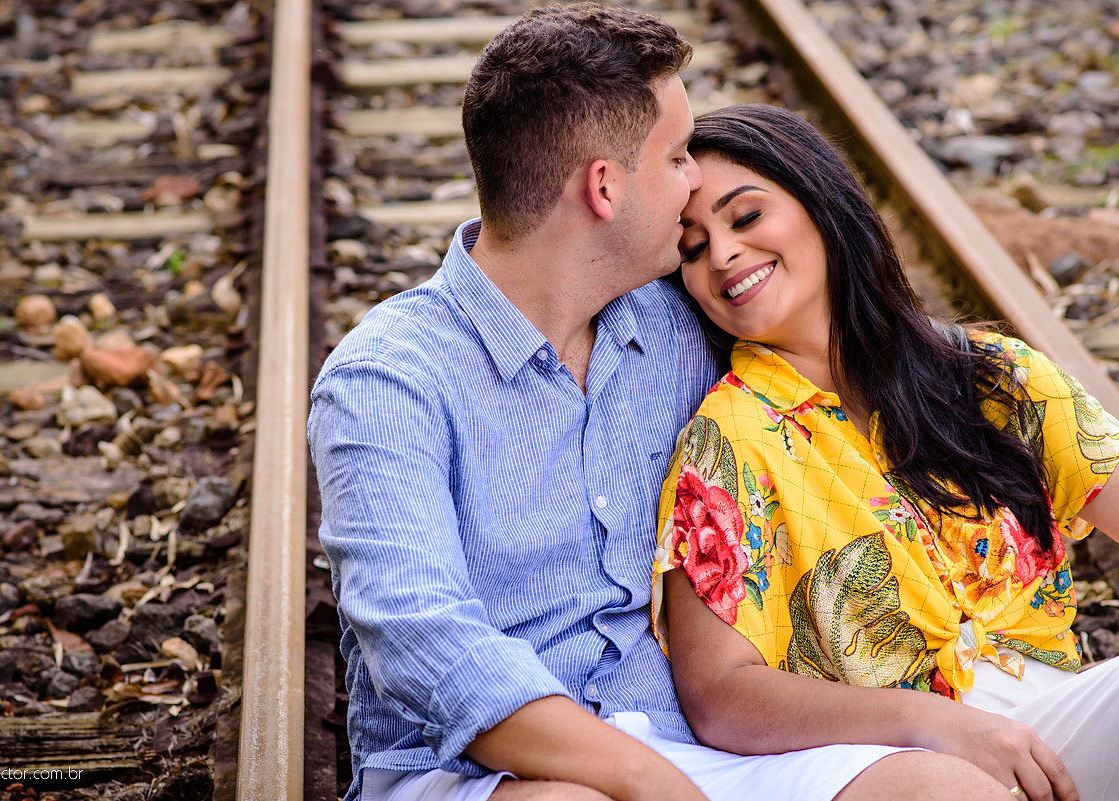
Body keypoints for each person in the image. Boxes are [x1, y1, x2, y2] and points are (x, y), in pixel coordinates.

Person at [309, 6, 1016, 801]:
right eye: (678, 156)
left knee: (942, 787)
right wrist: (650, 783)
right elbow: (424, 637)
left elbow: (833, 351)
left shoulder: (676, 326)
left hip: (687, 752)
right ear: (604, 187)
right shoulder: (388, 379)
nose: (693, 181)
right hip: (472, 771)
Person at [653, 102, 1119, 801]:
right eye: (691, 248)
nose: (721, 255)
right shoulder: (727, 439)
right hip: (905, 766)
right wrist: (930, 722)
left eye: (746, 217)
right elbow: (718, 693)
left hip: (1057, 733)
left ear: (821, 203)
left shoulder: (993, 377)